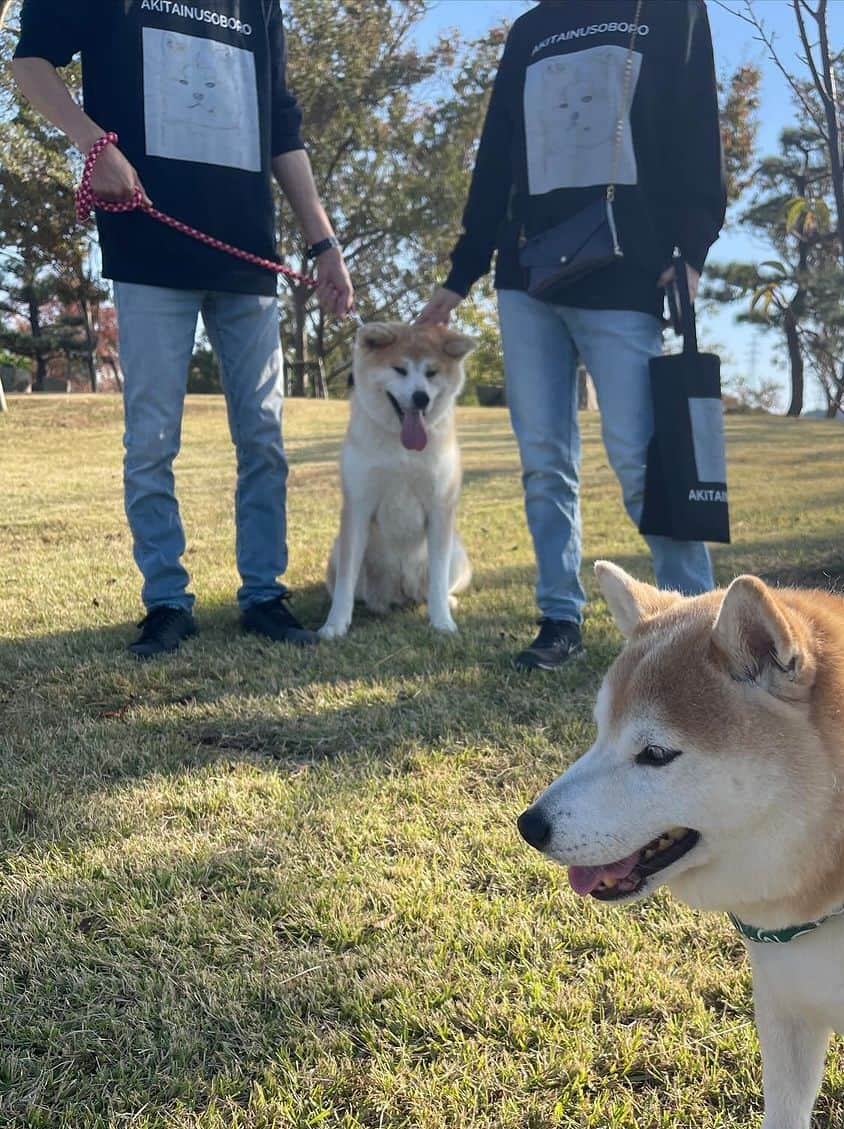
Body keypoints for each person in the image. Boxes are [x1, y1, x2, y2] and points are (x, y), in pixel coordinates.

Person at [12, 1, 354, 659]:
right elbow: (29, 63)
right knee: (151, 441)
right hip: (149, 247)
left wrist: (324, 242)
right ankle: (166, 603)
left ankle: (263, 595)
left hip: (247, 251)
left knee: (263, 436)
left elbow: (281, 124)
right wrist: (94, 145)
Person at [420, 0, 726, 671]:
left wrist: (693, 250)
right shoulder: (531, 29)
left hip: (628, 273)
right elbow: (497, 153)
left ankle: (701, 624)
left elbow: (696, 131)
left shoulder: (669, 12)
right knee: (544, 459)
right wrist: (463, 272)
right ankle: (560, 617)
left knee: (644, 459)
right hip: (527, 277)